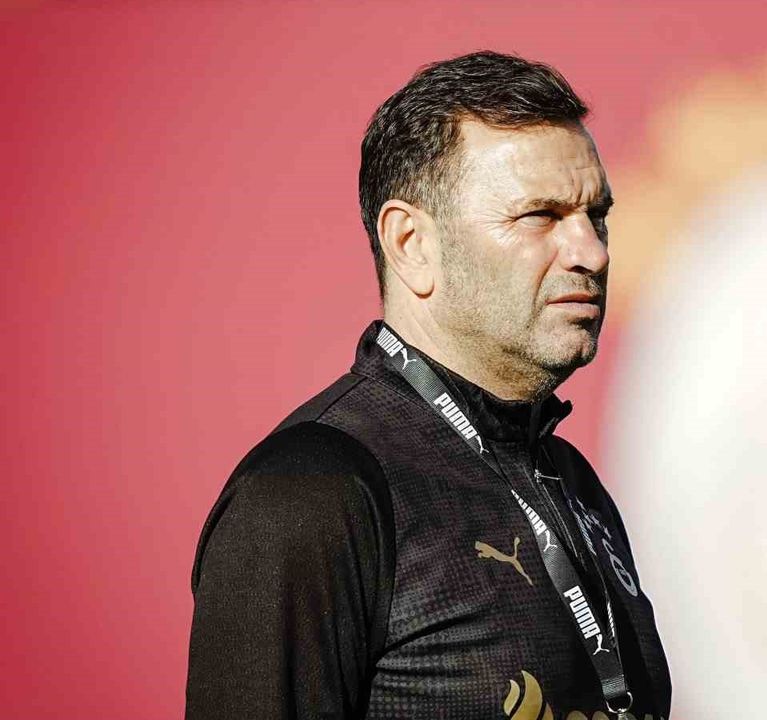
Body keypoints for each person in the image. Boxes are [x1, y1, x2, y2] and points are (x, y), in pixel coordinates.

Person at [185, 51, 671, 720]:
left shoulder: (571, 481)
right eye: (540, 216)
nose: (592, 252)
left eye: (597, 217)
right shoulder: (310, 494)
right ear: (411, 243)